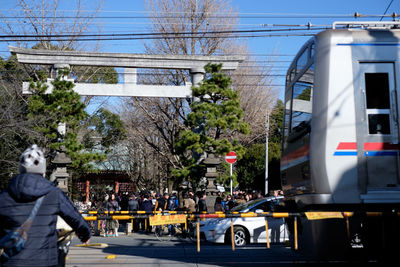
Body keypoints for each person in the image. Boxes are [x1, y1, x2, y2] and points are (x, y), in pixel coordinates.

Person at [0, 144, 91, 267]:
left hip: (12, 261)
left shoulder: (4, 196)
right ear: (43, 171)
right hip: (44, 261)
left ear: (20, 168)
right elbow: (75, 217)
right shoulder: (54, 193)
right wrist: (85, 234)